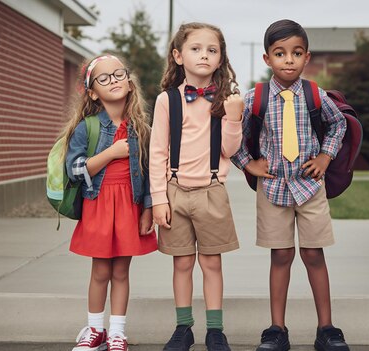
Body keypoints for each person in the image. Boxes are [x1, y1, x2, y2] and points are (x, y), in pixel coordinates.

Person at [231, 19, 350, 351]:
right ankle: (276, 330)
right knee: (281, 255)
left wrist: (326, 157)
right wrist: (248, 163)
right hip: (273, 190)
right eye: (280, 53)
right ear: (268, 58)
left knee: (313, 254)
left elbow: (338, 124)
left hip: (311, 187)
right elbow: (233, 139)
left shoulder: (315, 94)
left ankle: (326, 328)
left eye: (296, 53)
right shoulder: (256, 98)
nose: (289, 60)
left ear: (306, 57)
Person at [150, 22, 244, 351]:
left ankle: (215, 330)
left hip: (212, 191)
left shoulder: (226, 100)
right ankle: (183, 327)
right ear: (178, 55)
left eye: (212, 50)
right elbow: (157, 152)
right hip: (175, 192)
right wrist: (158, 199)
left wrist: (233, 118)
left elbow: (230, 150)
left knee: (212, 262)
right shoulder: (167, 101)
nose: (204, 55)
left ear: (220, 59)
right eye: (195, 48)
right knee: (182, 263)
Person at [63, 54, 157, 351]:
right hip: (99, 206)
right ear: (92, 92)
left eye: (118, 75)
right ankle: (95, 330)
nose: (113, 81)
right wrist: (111, 153)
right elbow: (74, 171)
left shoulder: (141, 129)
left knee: (121, 272)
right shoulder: (86, 127)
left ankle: (117, 333)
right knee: (100, 271)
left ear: (129, 83)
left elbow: (151, 173)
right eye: (103, 79)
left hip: (129, 207)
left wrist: (148, 209)